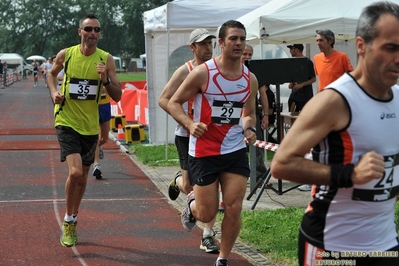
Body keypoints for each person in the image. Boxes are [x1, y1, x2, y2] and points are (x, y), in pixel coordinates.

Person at [271, 2, 399, 265]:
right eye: (390, 48)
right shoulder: (334, 101)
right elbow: (281, 164)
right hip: (332, 246)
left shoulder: (397, 98)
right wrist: (349, 174)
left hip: (386, 244)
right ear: (361, 46)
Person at [168, 20, 258, 266]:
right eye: (233, 39)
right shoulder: (203, 73)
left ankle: (223, 259)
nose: (239, 43)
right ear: (221, 43)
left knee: (234, 206)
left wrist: (249, 128)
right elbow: (173, 102)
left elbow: (248, 113)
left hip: (234, 149)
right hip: (204, 151)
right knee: (207, 213)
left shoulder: (250, 79)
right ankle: (191, 206)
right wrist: (189, 124)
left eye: (242, 38)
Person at [47, 13, 122, 247]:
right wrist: (53, 93)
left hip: (90, 126)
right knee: (76, 172)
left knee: (83, 178)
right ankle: (68, 221)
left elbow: (117, 95)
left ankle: (72, 216)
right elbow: (51, 74)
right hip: (66, 120)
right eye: (88, 29)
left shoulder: (106, 60)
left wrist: (105, 79)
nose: (93, 33)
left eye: (97, 30)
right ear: (80, 32)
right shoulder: (66, 55)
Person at [158, 28, 220, 254]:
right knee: (190, 185)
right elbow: (163, 99)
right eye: (202, 44)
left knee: (212, 188)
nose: (207, 48)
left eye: (210, 44)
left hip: (214, 137)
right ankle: (178, 181)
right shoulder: (185, 71)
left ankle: (207, 235)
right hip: (187, 136)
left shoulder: (217, 70)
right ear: (192, 48)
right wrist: (186, 121)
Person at [241, 44, 272, 184]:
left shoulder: (256, 72)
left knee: (257, 146)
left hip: (252, 115)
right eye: (244, 54)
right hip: (235, 116)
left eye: (249, 55)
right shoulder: (231, 70)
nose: (247, 57)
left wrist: (266, 115)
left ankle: (260, 175)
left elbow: (263, 94)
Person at [286, 44, 316, 192]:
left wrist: (302, 85)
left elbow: (313, 79)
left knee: (305, 121)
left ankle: (305, 144)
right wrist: (292, 84)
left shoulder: (307, 62)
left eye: (291, 49)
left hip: (305, 96)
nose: (290, 51)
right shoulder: (292, 63)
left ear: (296, 49)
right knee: (290, 118)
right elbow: (291, 78)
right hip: (294, 96)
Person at [92, 87, 112, 180]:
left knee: (104, 138)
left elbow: (117, 86)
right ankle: (96, 164)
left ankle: (97, 146)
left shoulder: (107, 72)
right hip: (92, 105)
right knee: (95, 136)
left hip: (105, 105)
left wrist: (107, 87)